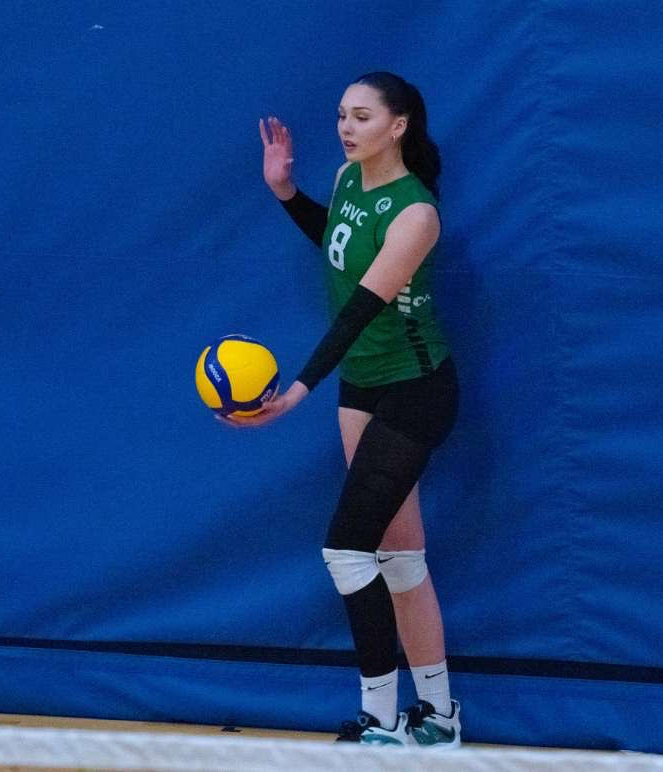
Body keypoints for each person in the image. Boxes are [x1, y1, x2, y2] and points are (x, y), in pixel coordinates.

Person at [227, 71, 461, 747]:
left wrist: (296, 391)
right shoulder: (347, 180)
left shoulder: (416, 214)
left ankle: (381, 722)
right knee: (399, 557)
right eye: (341, 116)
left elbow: (361, 306)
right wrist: (285, 193)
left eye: (361, 117)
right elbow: (338, 246)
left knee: (346, 550)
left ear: (398, 126)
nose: (345, 128)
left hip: (416, 388)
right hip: (362, 384)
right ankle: (440, 718)